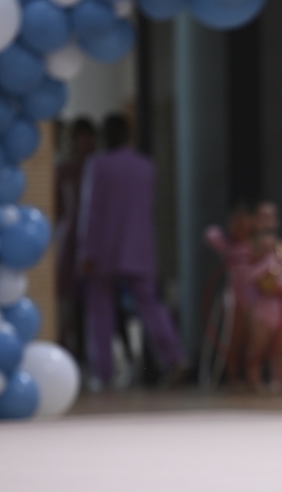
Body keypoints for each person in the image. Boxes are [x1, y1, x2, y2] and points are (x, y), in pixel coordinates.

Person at [78, 113, 186, 390]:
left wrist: (86, 252)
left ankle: (103, 374)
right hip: (139, 247)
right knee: (151, 305)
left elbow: (92, 211)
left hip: (104, 248)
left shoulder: (98, 165)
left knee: (100, 310)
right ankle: (174, 358)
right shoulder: (145, 166)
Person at [205, 202, 282, 392]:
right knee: (253, 350)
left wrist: (278, 283)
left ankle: (279, 387)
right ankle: (251, 387)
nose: (267, 222)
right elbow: (247, 278)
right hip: (257, 308)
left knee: (278, 351)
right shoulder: (245, 249)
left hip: (278, 308)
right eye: (262, 217)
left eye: (271, 217)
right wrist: (262, 260)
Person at [54, 117, 97, 361]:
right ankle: (67, 352)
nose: (85, 142)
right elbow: (58, 209)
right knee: (67, 302)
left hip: (95, 240)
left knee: (96, 302)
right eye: (81, 136)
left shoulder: (100, 167)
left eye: (88, 136)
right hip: (70, 240)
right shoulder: (66, 170)